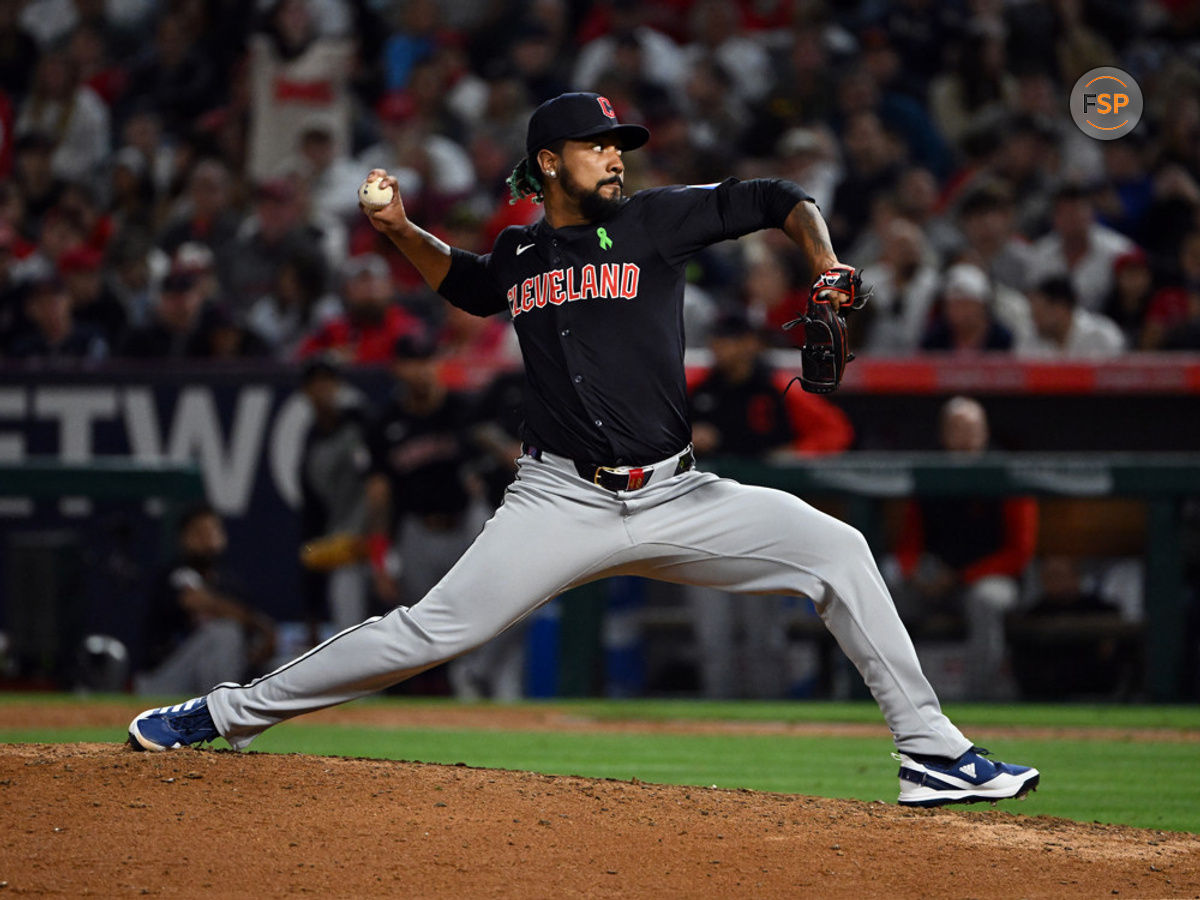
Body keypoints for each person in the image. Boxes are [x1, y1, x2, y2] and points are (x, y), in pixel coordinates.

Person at [129, 92, 1038, 808]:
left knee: (838, 550)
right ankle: (219, 714)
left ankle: (933, 753)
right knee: (429, 632)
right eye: (602, 145)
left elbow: (777, 198)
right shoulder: (522, 255)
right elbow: (473, 287)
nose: (617, 156)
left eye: (620, 145)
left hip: (681, 495)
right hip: (558, 501)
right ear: (552, 161)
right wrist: (398, 232)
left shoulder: (652, 223)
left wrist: (826, 262)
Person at [888, 397, 1038, 700]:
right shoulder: (930, 473)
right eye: (956, 429)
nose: (965, 437)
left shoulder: (1009, 474)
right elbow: (910, 540)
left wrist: (960, 576)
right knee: (887, 594)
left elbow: (1019, 553)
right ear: (943, 435)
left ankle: (978, 701)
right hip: (937, 580)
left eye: (972, 429)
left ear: (985, 432)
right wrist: (913, 573)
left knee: (985, 601)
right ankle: (895, 699)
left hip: (994, 577)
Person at [133, 503, 275, 696]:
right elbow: (196, 600)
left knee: (284, 663)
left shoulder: (229, 583)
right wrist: (259, 624)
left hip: (208, 679)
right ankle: (219, 712)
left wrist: (260, 644)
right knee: (224, 633)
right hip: (164, 681)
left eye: (213, 532)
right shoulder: (175, 574)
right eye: (200, 533)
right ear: (184, 538)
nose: (208, 540)